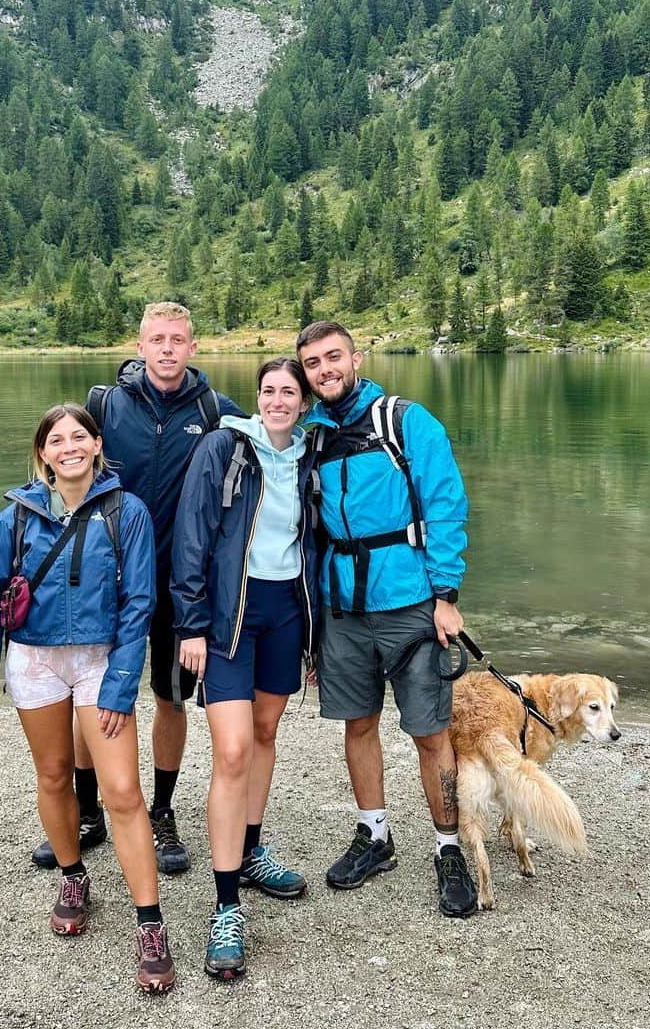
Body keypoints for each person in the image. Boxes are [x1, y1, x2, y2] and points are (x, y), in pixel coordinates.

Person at [0, 403, 176, 992]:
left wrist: (119, 683)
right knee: (54, 776)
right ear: (43, 454)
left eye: (78, 436)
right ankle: (74, 873)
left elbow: (139, 604)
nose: (69, 447)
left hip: (100, 659)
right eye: (56, 440)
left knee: (123, 792)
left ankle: (150, 922)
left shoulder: (126, 512)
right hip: (34, 661)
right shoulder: (14, 520)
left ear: (97, 445)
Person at [29, 303, 243, 875]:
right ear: (140, 345)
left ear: (193, 348)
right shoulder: (105, 404)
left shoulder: (215, 411)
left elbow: (273, 440)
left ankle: (163, 810)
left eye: (177, 340)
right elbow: (63, 464)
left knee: (170, 698)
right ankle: (89, 809)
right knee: (90, 694)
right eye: (157, 340)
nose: (167, 349)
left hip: (179, 583)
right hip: (107, 580)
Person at [295, 320, 478, 918]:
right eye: (314, 363)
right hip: (341, 609)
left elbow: (445, 503)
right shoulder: (312, 437)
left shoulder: (405, 421)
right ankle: (375, 836)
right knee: (359, 725)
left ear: (357, 358)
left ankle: (448, 848)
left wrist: (446, 594)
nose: (325, 370)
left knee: (430, 732)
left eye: (333, 357)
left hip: (409, 604)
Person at [172, 358, 318, 980]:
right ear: (257, 398)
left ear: (304, 402)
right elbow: (192, 535)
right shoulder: (226, 445)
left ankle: (253, 848)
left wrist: (316, 633)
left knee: (264, 734)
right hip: (229, 614)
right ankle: (226, 904)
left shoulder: (313, 455)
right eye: (269, 391)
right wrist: (191, 622)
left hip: (287, 611)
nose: (278, 400)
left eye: (289, 392)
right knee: (231, 750)